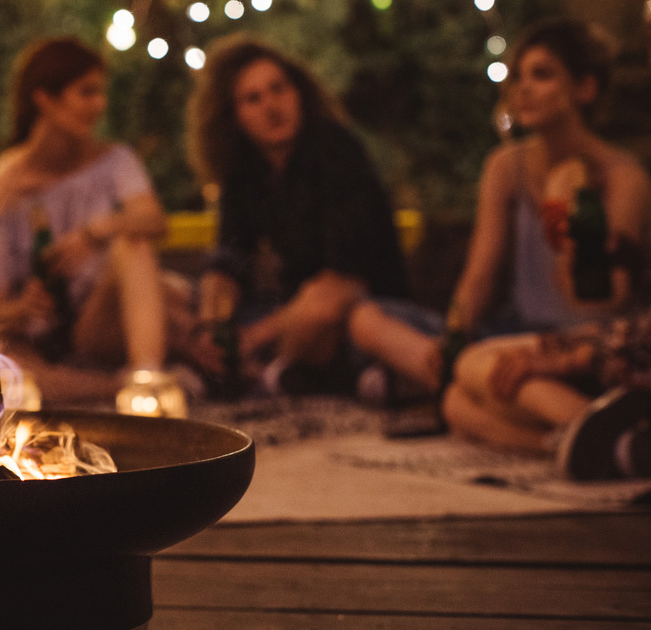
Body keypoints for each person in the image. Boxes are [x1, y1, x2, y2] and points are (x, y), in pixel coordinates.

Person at [349, 18, 650, 401]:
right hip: (513, 331)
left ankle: (440, 385)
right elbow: (479, 278)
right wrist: (454, 340)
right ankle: (449, 375)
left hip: (580, 345)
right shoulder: (507, 165)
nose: (522, 88)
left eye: (541, 75)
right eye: (517, 77)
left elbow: (604, 302)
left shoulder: (624, 176)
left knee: (472, 384)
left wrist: (563, 209)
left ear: (584, 87)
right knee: (365, 318)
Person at [0, 37, 187, 415]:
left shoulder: (114, 160)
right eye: (87, 93)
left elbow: (153, 220)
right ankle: (119, 389)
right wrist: (25, 306)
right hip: (36, 340)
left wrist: (94, 233)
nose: (99, 106)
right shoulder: (1, 187)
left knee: (135, 246)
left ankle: (147, 382)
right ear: (45, 99)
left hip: (97, 326)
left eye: (101, 93)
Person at [185, 36, 408, 395]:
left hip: (365, 306)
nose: (271, 106)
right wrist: (214, 326)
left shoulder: (334, 148)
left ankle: (267, 376)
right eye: (253, 99)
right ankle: (252, 370)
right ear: (235, 116)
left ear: (299, 93)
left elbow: (344, 280)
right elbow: (229, 258)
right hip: (295, 308)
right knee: (184, 302)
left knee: (319, 310)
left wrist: (253, 338)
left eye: (279, 89)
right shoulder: (246, 170)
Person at [444, 311, 651, 480]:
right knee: (456, 404)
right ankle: (579, 441)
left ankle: (596, 434)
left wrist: (567, 359)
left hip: (626, 363)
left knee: (473, 363)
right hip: (613, 351)